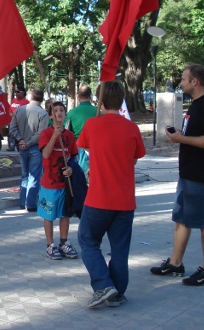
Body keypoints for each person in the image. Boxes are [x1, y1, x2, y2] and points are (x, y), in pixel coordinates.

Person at [150, 64, 204, 286]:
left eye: (183, 79)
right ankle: (175, 263)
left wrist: (182, 139)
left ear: (195, 81)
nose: (180, 83)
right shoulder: (196, 106)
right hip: (188, 173)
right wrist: (181, 135)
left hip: (202, 175)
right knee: (181, 218)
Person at [77, 81, 146, 308]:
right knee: (120, 250)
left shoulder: (92, 125)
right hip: (125, 200)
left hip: (99, 198)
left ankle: (104, 285)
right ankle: (118, 292)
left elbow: (85, 147)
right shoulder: (132, 128)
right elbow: (134, 158)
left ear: (100, 101)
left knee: (88, 241)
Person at [38, 101, 79, 260]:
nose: (59, 113)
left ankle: (64, 242)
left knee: (65, 214)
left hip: (65, 183)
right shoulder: (46, 134)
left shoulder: (69, 135)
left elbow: (74, 157)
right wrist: (55, 135)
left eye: (62, 110)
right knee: (49, 215)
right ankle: (50, 244)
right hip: (50, 183)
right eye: (55, 110)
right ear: (50, 115)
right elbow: (45, 154)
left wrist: (71, 169)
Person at [9, 89, 49, 211]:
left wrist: (20, 140)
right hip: (34, 147)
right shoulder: (43, 113)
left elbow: (12, 128)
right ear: (42, 99)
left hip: (22, 147)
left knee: (25, 175)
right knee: (34, 176)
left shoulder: (19, 110)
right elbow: (40, 133)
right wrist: (28, 142)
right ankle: (30, 204)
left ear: (30, 97)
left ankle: (23, 201)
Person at [65, 85, 98, 174]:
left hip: (78, 144)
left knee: (80, 171)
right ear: (90, 96)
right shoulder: (98, 112)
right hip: (95, 144)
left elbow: (66, 130)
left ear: (78, 96)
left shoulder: (72, 113)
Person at [7, 87, 29, 151]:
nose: (16, 93)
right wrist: (13, 116)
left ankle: (20, 147)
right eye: (16, 92)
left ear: (23, 93)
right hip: (12, 121)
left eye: (18, 92)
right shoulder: (13, 100)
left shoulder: (27, 102)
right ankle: (11, 147)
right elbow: (10, 110)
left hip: (21, 122)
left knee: (19, 135)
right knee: (11, 134)